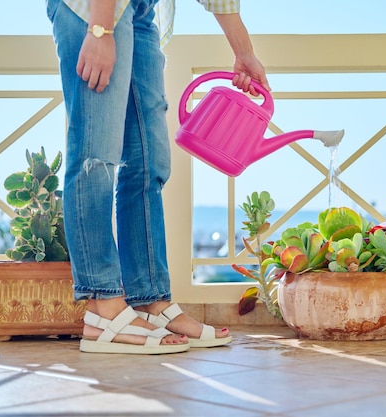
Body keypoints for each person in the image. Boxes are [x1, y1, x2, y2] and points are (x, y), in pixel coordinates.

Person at [45, 0, 270, 354]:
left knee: (149, 164)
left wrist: (244, 52)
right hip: (96, 9)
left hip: (141, 14)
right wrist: (100, 28)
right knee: (96, 154)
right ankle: (102, 307)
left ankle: (150, 302)